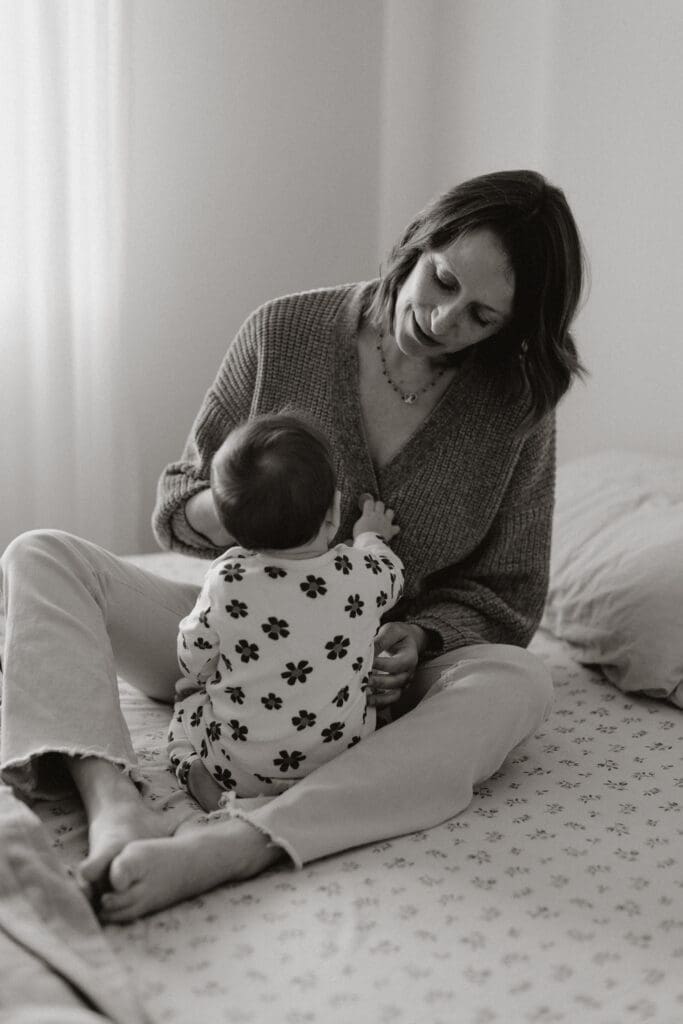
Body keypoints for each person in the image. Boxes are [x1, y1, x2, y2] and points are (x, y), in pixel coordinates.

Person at [0, 169, 586, 922]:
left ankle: (243, 843)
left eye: (481, 315)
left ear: (513, 326)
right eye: (441, 281)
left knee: (520, 683)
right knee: (41, 554)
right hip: (240, 640)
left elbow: (509, 593)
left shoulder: (516, 406)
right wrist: (239, 507)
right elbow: (177, 509)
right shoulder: (284, 331)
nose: (442, 320)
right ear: (418, 242)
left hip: (377, 684)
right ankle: (114, 801)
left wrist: (423, 636)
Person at [167, 411, 404, 808]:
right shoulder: (364, 574)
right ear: (334, 511)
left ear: (231, 527)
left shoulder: (226, 581)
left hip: (240, 769)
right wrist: (369, 536)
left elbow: (194, 657)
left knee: (186, 708)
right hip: (339, 759)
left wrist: (200, 679)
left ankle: (195, 771)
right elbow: (392, 571)